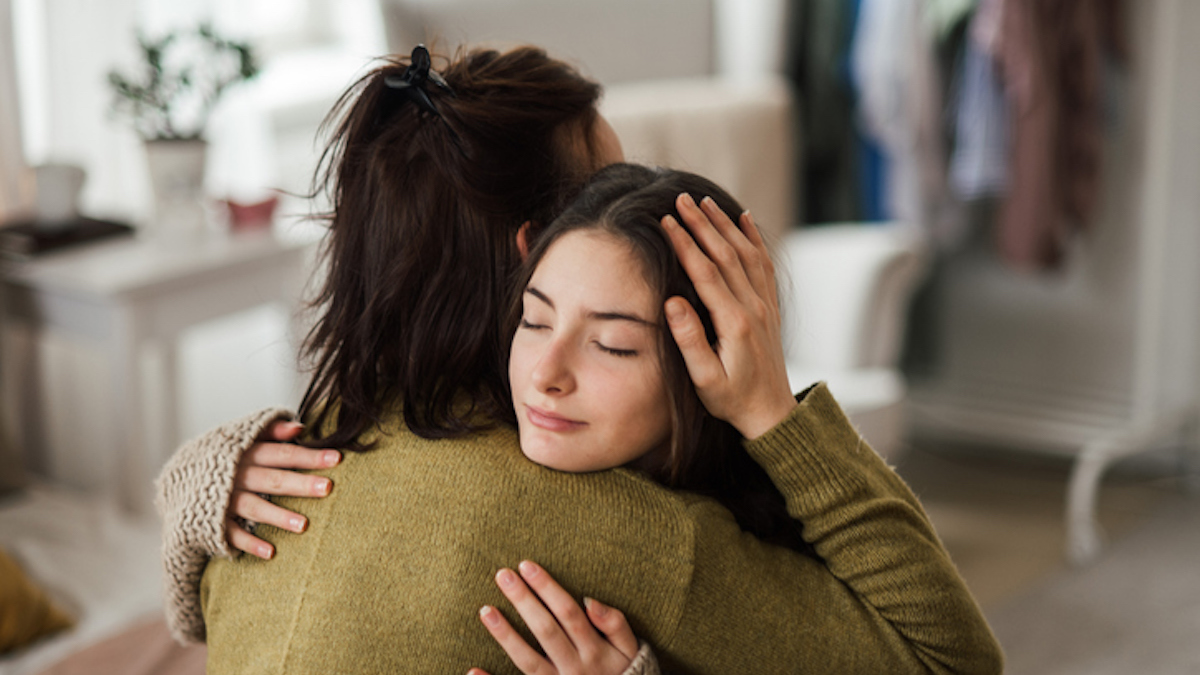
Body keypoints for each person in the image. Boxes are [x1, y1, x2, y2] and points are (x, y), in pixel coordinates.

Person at [158, 46, 1003, 675]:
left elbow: (196, 622)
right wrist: (776, 415)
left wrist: (185, 484)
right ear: (537, 250)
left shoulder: (282, 461)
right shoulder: (605, 526)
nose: (627, 209)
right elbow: (950, 659)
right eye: (607, 186)